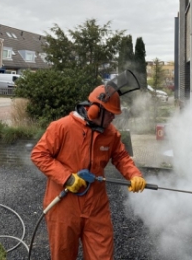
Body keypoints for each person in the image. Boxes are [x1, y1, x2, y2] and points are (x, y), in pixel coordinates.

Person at [31, 83, 146, 260]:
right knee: (63, 255)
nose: (113, 118)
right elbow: (39, 155)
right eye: (110, 113)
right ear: (94, 110)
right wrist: (67, 178)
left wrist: (134, 175)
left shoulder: (110, 134)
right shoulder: (61, 127)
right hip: (63, 205)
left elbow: (121, 156)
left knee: (102, 256)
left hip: (96, 207)